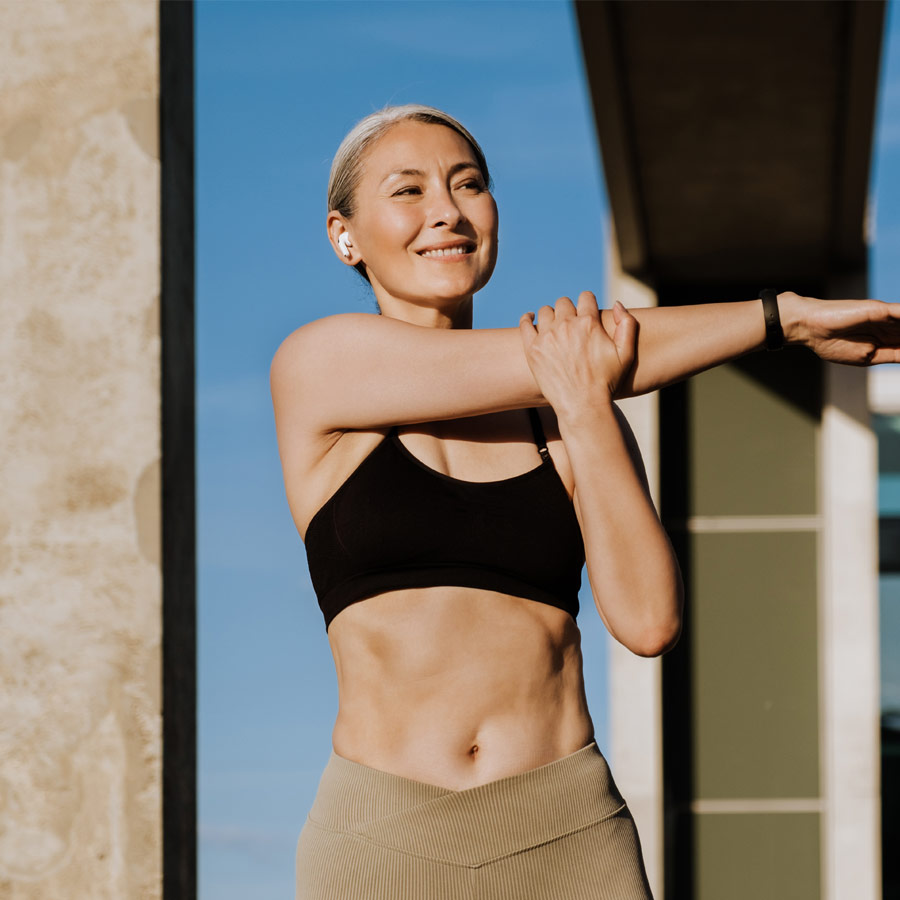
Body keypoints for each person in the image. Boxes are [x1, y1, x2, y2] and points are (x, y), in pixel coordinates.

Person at [270, 104, 900, 900]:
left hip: (567, 835)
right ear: (345, 235)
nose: (447, 211)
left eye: (470, 185)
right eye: (409, 190)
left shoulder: (567, 410)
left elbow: (648, 622)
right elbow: (550, 356)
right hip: (380, 836)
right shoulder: (320, 368)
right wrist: (783, 319)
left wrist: (587, 403)